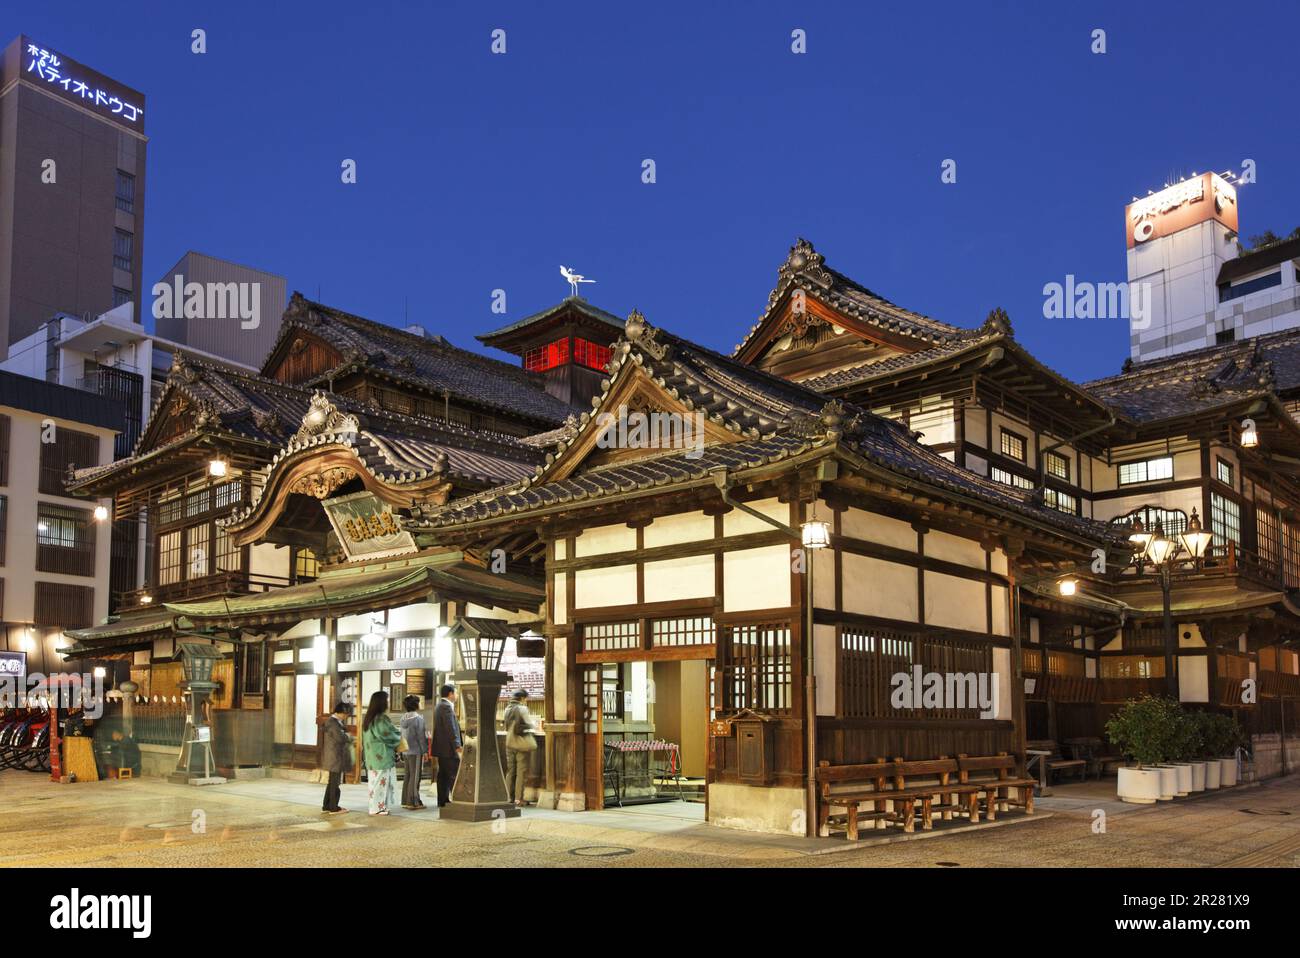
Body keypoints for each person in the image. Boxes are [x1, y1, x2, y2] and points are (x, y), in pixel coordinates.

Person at [362, 691, 402, 816]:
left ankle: (379, 806)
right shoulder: (381, 719)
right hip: (381, 757)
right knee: (381, 783)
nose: (389, 703)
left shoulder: (369, 718)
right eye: (387, 700)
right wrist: (398, 733)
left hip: (372, 757)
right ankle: (376, 808)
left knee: (374, 783)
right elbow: (388, 735)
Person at [502, 689, 537, 807]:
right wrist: (533, 727)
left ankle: (508, 797)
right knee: (521, 771)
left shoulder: (507, 709)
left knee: (511, 771)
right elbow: (529, 724)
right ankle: (518, 799)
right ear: (522, 698)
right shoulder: (522, 709)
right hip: (520, 743)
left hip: (509, 743)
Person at [430, 684, 462, 807]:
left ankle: (443, 800)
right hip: (448, 748)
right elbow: (451, 728)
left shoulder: (440, 705)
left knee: (443, 775)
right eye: (456, 693)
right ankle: (456, 799)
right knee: (452, 774)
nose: (457, 695)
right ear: (450, 694)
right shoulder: (446, 707)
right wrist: (457, 744)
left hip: (442, 748)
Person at [321, 702, 354, 815]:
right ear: (340, 712)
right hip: (335, 757)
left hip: (335, 756)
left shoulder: (334, 722)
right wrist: (349, 736)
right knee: (335, 783)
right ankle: (333, 807)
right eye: (346, 714)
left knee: (332, 782)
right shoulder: (333, 723)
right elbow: (340, 738)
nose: (346, 716)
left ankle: (327, 805)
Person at [399, 695, 428, 810]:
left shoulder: (403, 718)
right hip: (416, 751)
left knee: (408, 775)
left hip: (406, 751)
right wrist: (425, 752)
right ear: (415, 705)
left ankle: (405, 800)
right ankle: (413, 801)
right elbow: (421, 737)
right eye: (419, 702)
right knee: (415, 776)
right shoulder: (418, 719)